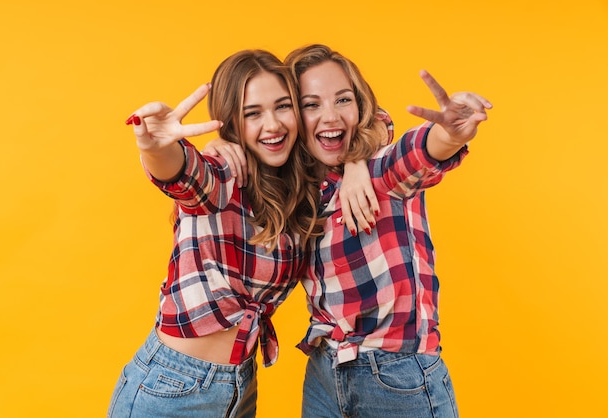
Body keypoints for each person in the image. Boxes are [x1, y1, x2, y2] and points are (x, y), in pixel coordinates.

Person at [206, 44, 492, 417]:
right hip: (325, 370)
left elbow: (417, 151)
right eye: (310, 104)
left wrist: (449, 135)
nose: (330, 116)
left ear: (360, 106)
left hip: (396, 375)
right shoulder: (296, 190)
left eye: (343, 100)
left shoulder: (378, 170)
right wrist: (223, 144)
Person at [107, 49, 327, 418]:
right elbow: (185, 176)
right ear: (230, 122)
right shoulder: (224, 172)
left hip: (239, 387)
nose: (272, 125)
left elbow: (370, 124)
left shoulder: (299, 188)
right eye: (251, 113)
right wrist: (156, 148)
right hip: (173, 388)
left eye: (283, 106)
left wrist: (353, 168)